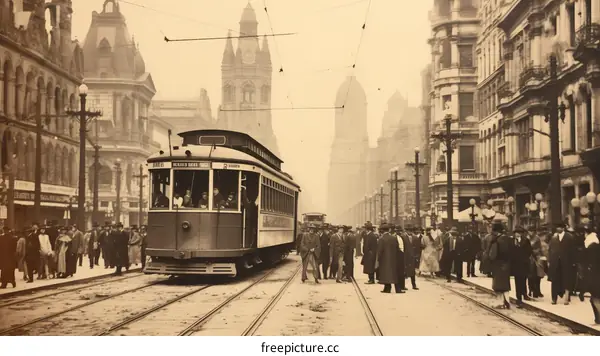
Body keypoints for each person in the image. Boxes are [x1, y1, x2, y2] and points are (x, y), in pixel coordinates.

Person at [548, 222, 577, 305]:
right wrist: (550, 260)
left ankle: (566, 298)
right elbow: (550, 250)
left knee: (566, 279)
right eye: (557, 227)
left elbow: (573, 251)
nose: (558, 229)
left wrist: (573, 262)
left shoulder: (569, 237)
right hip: (555, 262)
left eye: (560, 227)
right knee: (555, 280)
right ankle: (554, 298)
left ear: (563, 228)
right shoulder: (554, 238)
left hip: (566, 262)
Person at [488, 220, 512, 309]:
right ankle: (507, 301)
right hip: (506, 264)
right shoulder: (508, 239)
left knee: (498, 285)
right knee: (505, 285)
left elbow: (492, 255)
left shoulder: (497, 240)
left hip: (498, 264)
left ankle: (501, 302)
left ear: (495, 231)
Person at [581, 224, 600, 324]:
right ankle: (597, 319)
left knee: (595, 298)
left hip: (595, 277)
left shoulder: (591, 247)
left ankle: (599, 318)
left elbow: (586, 263)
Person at [376, 223, 402, 294]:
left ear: (382, 231)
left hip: (384, 259)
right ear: (389, 230)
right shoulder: (393, 238)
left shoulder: (381, 239)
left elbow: (379, 251)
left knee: (385, 274)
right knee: (394, 273)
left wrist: (378, 259)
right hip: (393, 259)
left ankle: (387, 288)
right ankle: (397, 289)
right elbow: (397, 248)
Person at [511, 225, 532, 307]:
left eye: (519, 233)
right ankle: (518, 297)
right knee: (517, 281)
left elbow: (529, 251)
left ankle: (525, 294)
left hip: (523, 264)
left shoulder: (525, 241)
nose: (518, 234)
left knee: (523, 279)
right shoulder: (512, 241)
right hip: (515, 264)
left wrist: (524, 257)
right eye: (516, 233)